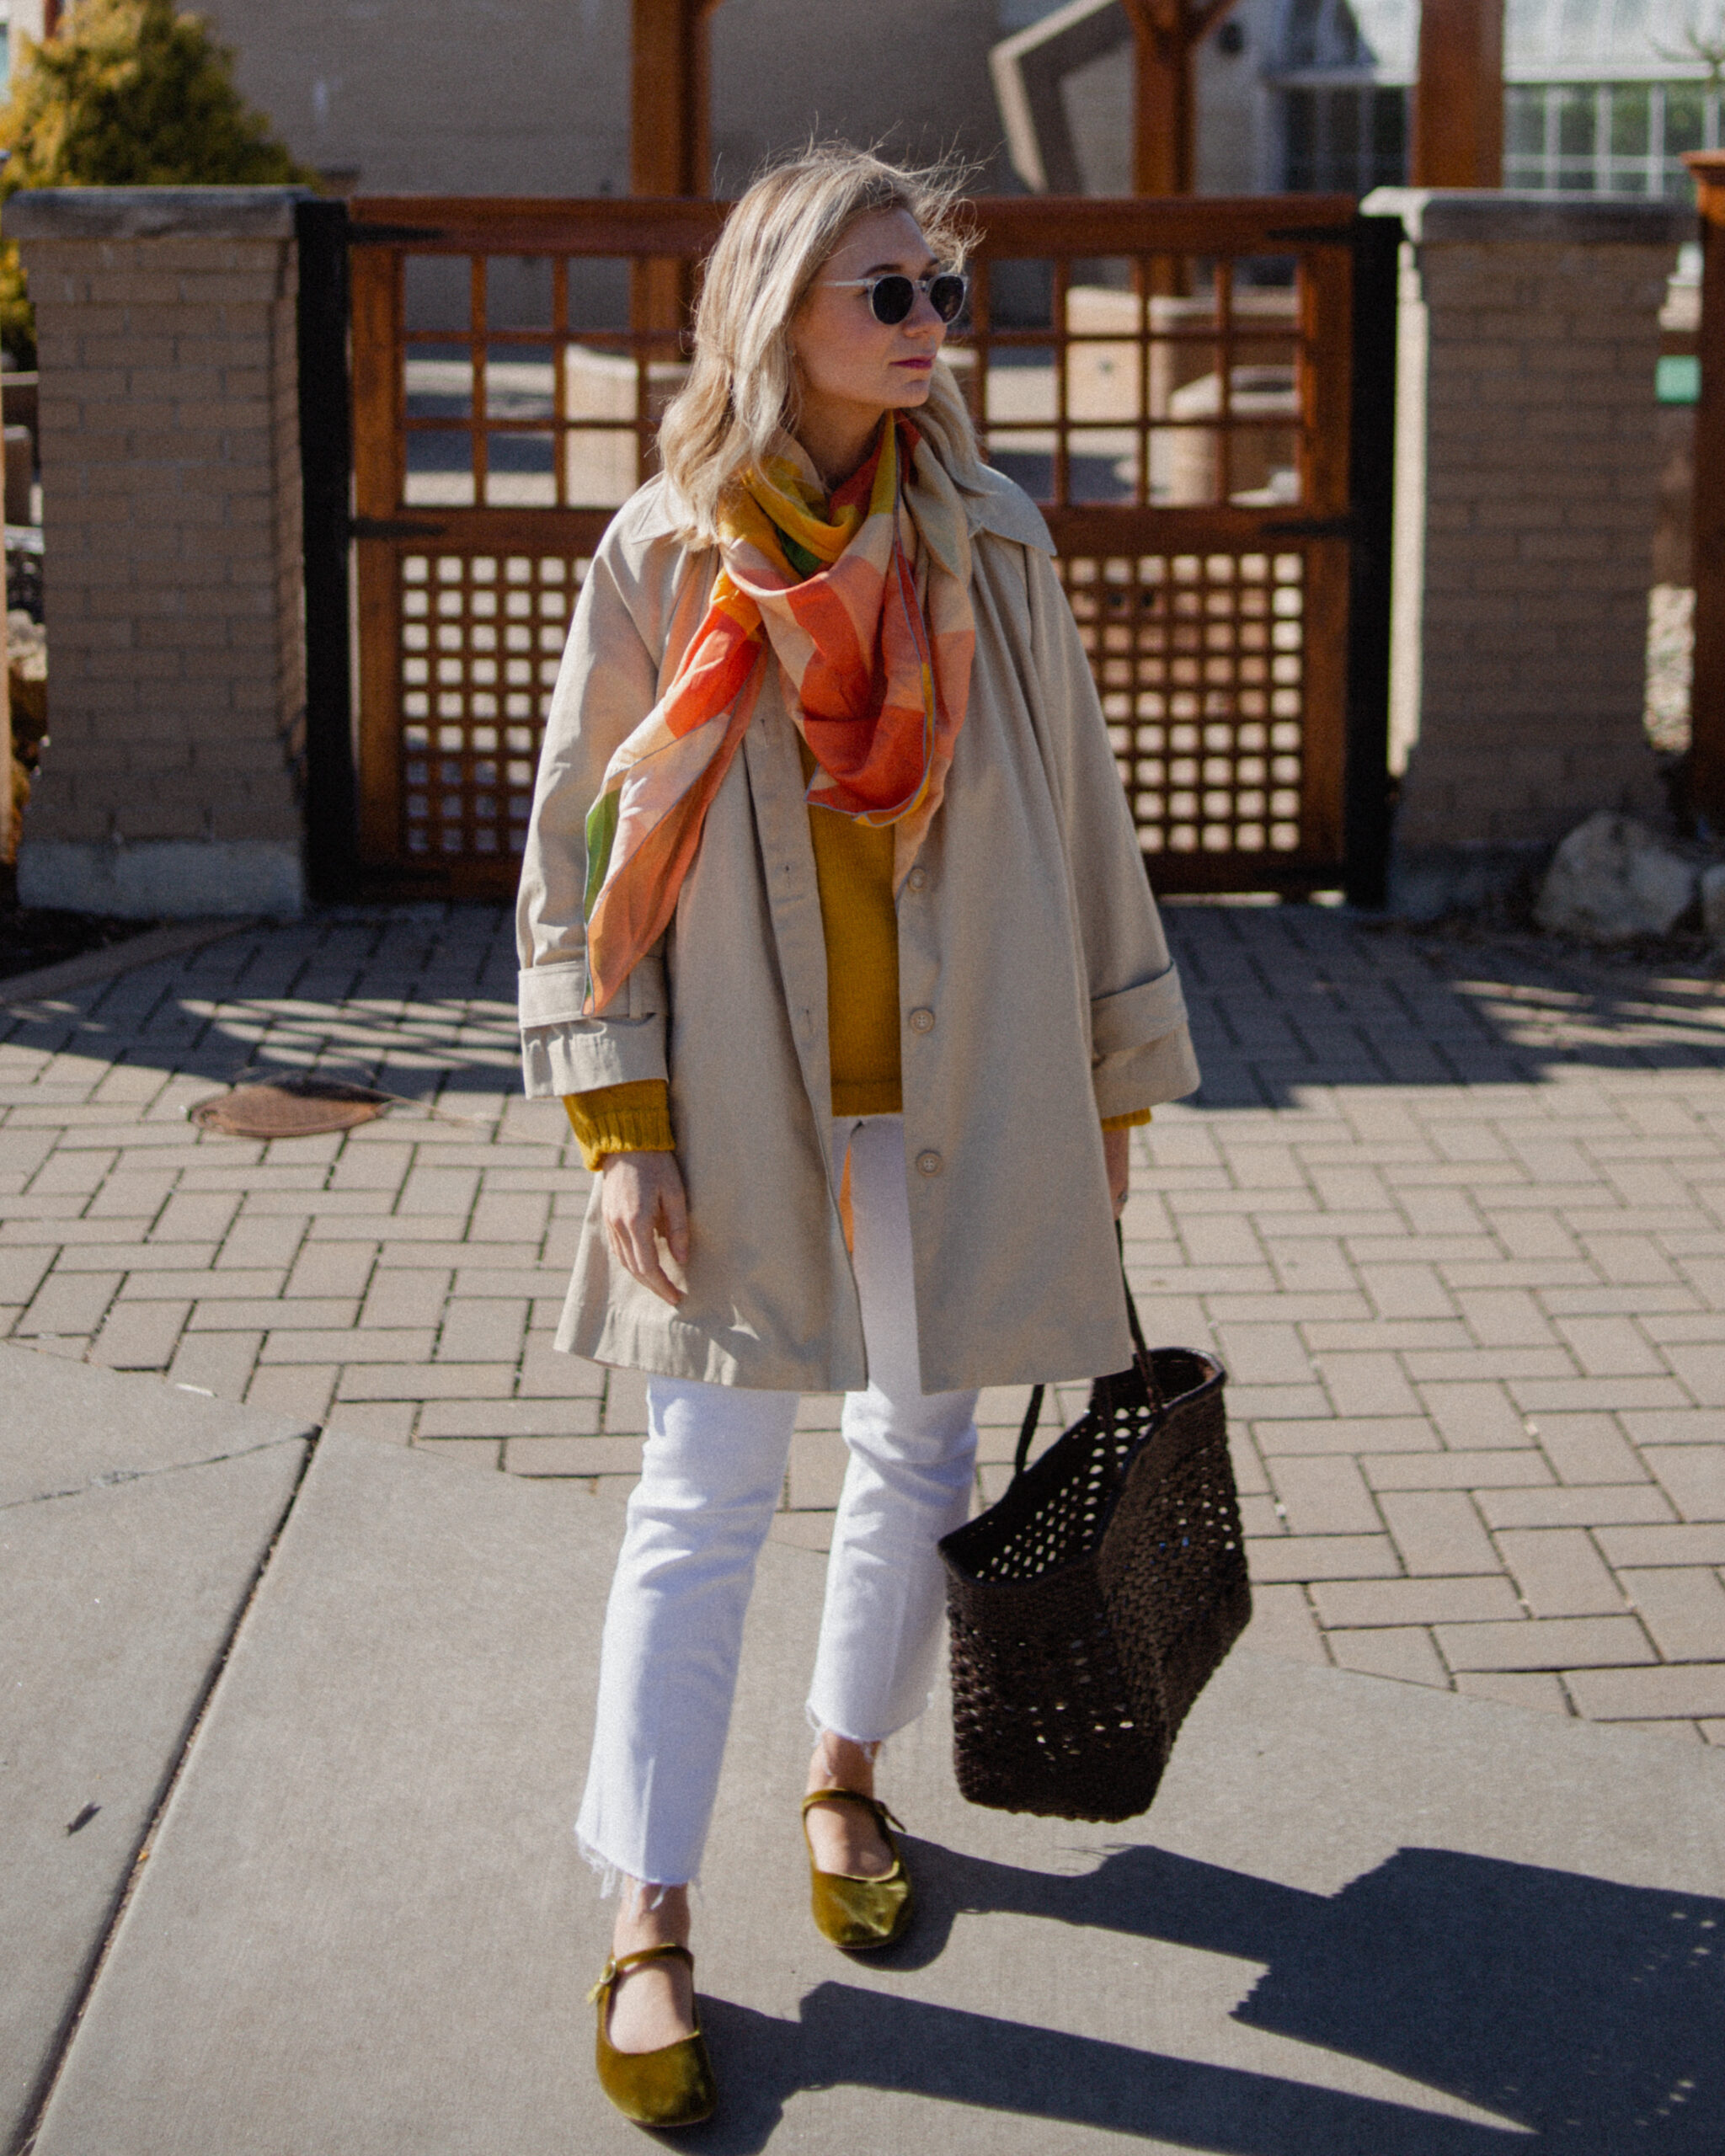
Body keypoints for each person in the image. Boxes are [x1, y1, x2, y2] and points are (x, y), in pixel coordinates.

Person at [515, 144, 1199, 2128]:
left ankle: (845, 1767)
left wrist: (1105, 1079)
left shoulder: (991, 536)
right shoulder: (663, 558)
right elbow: (583, 855)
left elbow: (1077, 815)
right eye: (885, 293)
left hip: (961, 1084)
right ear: (778, 308)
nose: (929, 328)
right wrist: (615, 1119)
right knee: (703, 1486)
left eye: (938, 294)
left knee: (924, 1441)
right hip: (738, 1096)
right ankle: (649, 1905)